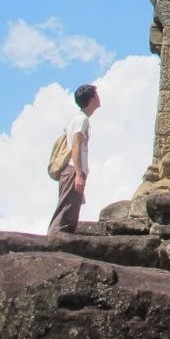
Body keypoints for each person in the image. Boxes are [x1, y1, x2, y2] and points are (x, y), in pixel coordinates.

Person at [47, 83, 100, 236]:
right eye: (96, 95)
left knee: (71, 212)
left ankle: (58, 243)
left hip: (73, 170)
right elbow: (75, 146)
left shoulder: (80, 119)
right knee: (65, 212)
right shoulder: (81, 119)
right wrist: (78, 173)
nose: (99, 98)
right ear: (91, 99)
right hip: (72, 170)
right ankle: (53, 243)